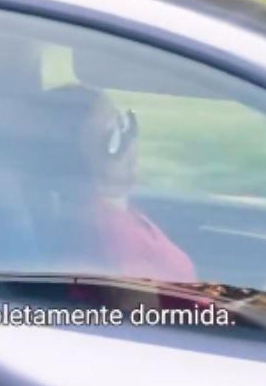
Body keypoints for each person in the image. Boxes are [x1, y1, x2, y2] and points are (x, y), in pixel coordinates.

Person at [38, 84, 196, 284]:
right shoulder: (107, 247)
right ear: (76, 164)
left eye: (124, 124)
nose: (129, 142)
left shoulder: (113, 215)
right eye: (113, 139)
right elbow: (138, 313)